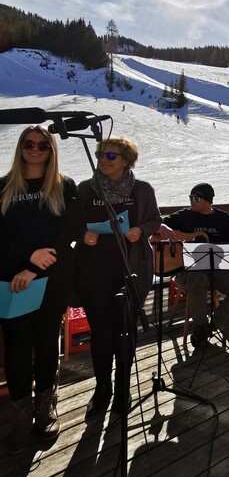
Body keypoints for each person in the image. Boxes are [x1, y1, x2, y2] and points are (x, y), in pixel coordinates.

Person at [0, 126, 76, 453]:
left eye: (42, 145)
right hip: (13, 281)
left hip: (51, 278)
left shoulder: (64, 186)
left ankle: (45, 406)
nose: (34, 149)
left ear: (51, 150)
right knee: (16, 346)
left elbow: (68, 230)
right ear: (20, 147)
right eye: (28, 143)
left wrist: (35, 267)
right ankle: (20, 413)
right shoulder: (3, 187)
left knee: (46, 341)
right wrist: (26, 258)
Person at [74, 137, 160, 418]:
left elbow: (154, 220)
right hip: (93, 272)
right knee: (100, 332)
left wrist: (140, 230)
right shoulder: (86, 188)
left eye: (110, 155)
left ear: (126, 160)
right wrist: (83, 235)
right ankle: (102, 388)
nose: (103, 159)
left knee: (126, 331)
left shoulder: (142, 189)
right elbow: (72, 224)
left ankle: (123, 387)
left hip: (130, 271)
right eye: (100, 154)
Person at [158, 183, 229, 348]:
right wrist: (162, 226)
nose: (192, 201)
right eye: (190, 197)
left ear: (208, 200)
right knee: (198, 279)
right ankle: (199, 327)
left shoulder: (223, 218)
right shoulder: (183, 215)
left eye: (196, 198)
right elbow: (157, 224)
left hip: (217, 269)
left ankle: (211, 326)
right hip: (187, 270)